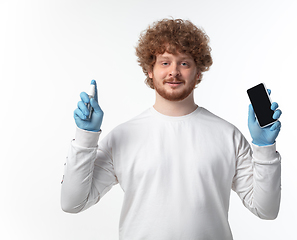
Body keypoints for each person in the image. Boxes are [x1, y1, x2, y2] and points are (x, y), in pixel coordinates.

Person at [61, 18, 282, 240]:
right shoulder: (122, 137)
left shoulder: (228, 135)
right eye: (165, 63)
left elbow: (266, 210)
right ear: (150, 70)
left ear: (198, 73)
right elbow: (73, 202)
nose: (174, 72)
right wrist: (85, 138)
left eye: (184, 63)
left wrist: (265, 148)